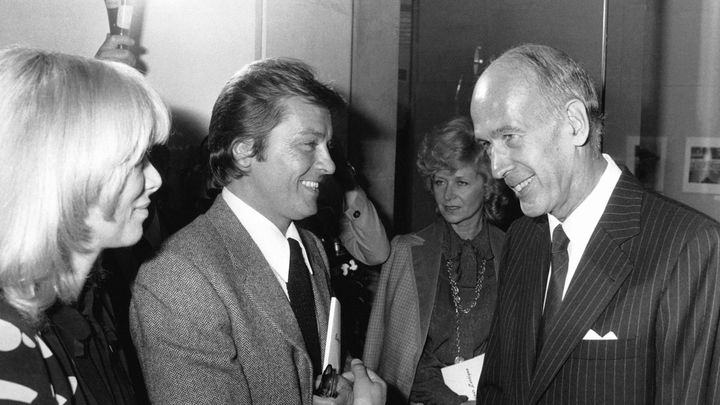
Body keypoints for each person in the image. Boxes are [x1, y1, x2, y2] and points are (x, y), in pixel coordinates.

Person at [471, 43, 720, 404]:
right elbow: (498, 389)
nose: (496, 167)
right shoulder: (522, 239)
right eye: (487, 145)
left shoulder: (690, 247)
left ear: (574, 124)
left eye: (509, 137)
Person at [129, 57, 386, 405]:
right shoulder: (178, 278)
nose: (329, 164)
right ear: (245, 152)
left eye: (328, 146)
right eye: (309, 144)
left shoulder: (310, 247)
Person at [0, 47, 170, 404]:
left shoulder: (88, 304)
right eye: (137, 161)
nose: (155, 179)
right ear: (69, 175)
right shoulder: (8, 346)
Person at [364, 117, 507, 404]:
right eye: (440, 181)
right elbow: (392, 356)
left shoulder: (513, 251)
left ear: (487, 184)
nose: (448, 194)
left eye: (461, 182)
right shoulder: (406, 251)